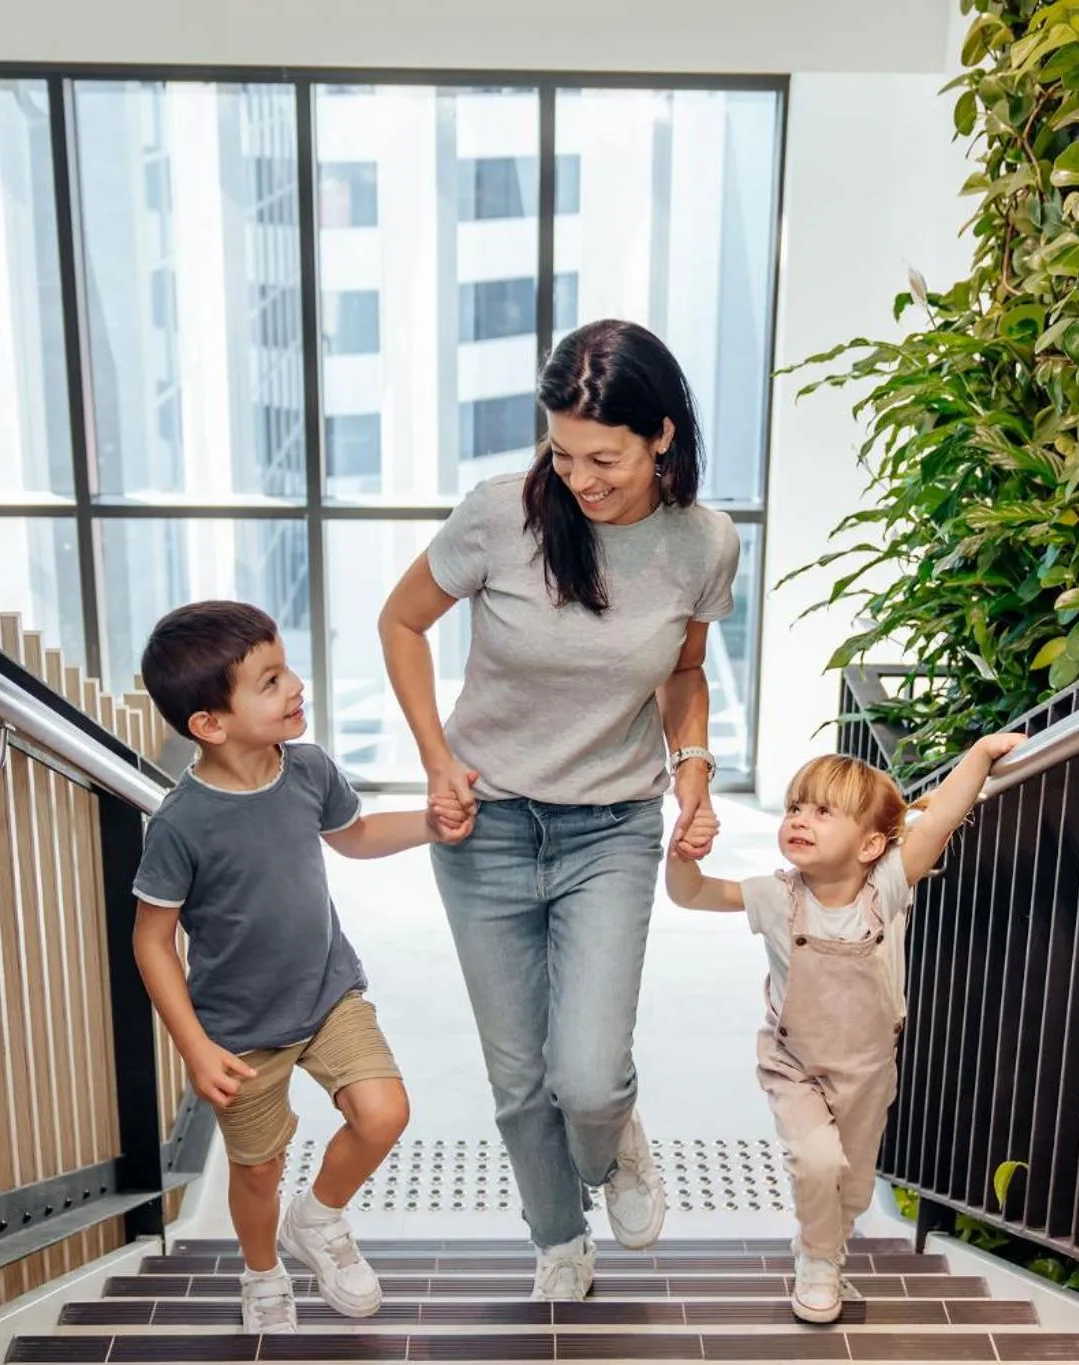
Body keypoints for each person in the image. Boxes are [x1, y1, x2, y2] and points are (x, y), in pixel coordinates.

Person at [377, 319, 741, 1298]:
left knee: (584, 1076)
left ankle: (613, 1139)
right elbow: (401, 621)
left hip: (610, 829)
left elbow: (686, 672)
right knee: (517, 1078)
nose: (578, 478)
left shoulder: (703, 543)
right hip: (482, 827)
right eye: (560, 452)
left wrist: (694, 767)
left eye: (604, 458)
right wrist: (435, 759)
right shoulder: (500, 517)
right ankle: (555, 1240)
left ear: (661, 436)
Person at [130, 601, 471, 1334]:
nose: (296, 687)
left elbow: (354, 836)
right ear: (210, 724)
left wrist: (432, 823)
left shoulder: (309, 768)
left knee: (385, 1112)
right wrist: (194, 1045)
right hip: (241, 1030)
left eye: (286, 669)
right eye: (271, 680)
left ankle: (316, 1219)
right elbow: (152, 941)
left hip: (327, 994)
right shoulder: (181, 823)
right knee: (258, 1167)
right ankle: (260, 1272)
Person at [663, 735, 1025, 1323]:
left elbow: (940, 823)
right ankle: (816, 1258)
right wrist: (682, 855)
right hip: (795, 1064)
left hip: (867, 1067)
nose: (800, 820)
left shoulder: (887, 888)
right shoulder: (776, 897)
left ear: (872, 845)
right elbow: (694, 895)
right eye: (795, 808)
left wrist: (981, 754)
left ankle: (827, 1244)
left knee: (853, 1188)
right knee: (817, 1162)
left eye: (823, 812)